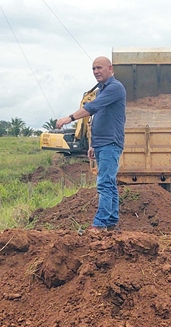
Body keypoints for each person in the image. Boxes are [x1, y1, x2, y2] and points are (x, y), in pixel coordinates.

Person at [56, 56, 126, 231]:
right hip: (102, 144)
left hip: (111, 143)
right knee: (109, 183)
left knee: (104, 183)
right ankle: (111, 222)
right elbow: (97, 119)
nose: (96, 72)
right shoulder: (102, 90)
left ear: (110, 68)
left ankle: (100, 224)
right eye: (93, 69)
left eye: (99, 68)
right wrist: (93, 145)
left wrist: (69, 118)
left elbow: (92, 107)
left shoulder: (115, 88)